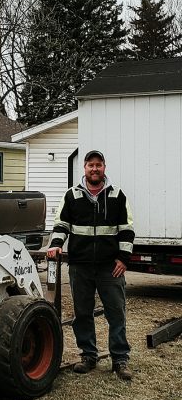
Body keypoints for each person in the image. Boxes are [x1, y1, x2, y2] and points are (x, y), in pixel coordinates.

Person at [47, 150, 135, 380]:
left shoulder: (117, 196)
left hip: (110, 268)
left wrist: (123, 259)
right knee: (82, 313)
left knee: (116, 313)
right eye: (90, 165)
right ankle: (88, 355)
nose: (94, 169)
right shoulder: (72, 196)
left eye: (98, 165)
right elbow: (61, 225)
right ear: (84, 168)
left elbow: (127, 230)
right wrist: (56, 245)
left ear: (104, 167)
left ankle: (120, 359)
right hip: (80, 267)